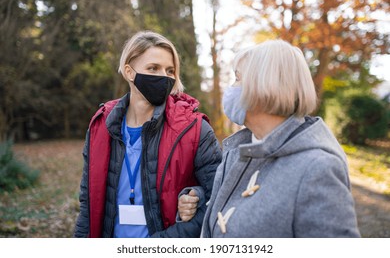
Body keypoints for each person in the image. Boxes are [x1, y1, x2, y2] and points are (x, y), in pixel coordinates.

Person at [181, 40, 360, 237]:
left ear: (264, 86)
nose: (231, 88)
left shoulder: (317, 169)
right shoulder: (239, 150)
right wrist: (198, 198)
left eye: (237, 79)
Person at [74, 31, 221, 238]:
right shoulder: (101, 125)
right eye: (153, 68)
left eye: (170, 71)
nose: (164, 76)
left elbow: (219, 199)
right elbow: (88, 204)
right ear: (129, 72)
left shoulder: (194, 129)